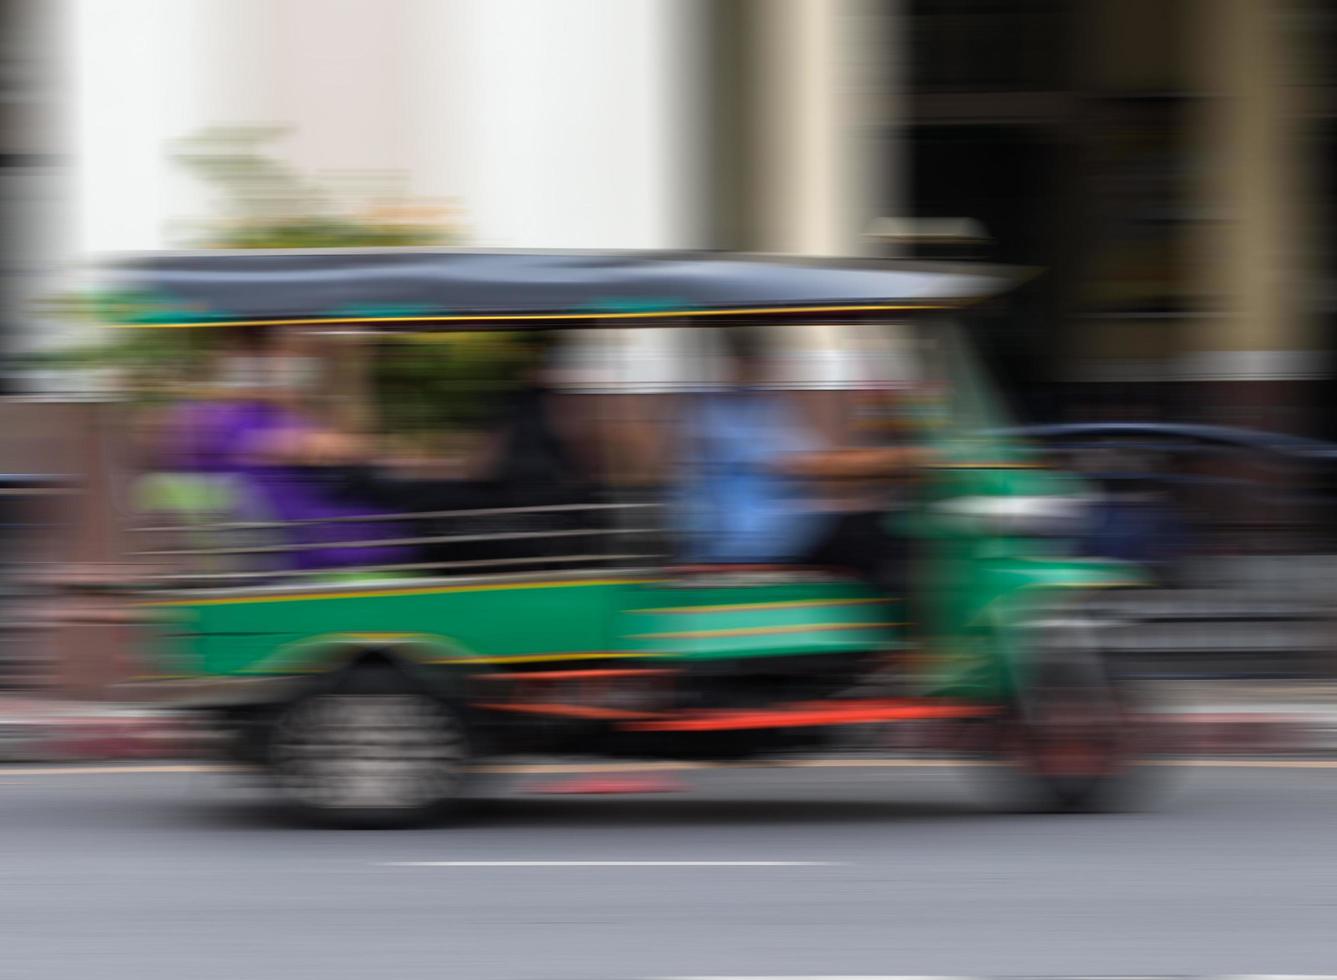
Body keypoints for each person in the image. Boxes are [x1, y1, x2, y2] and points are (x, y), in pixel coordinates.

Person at [675, 325, 926, 596]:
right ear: (739, 362)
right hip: (751, 544)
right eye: (759, 358)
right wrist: (905, 459)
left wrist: (878, 470)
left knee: (876, 524)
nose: (770, 366)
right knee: (881, 540)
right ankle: (906, 630)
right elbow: (808, 465)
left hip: (785, 531)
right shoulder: (718, 412)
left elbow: (819, 466)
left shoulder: (763, 403)